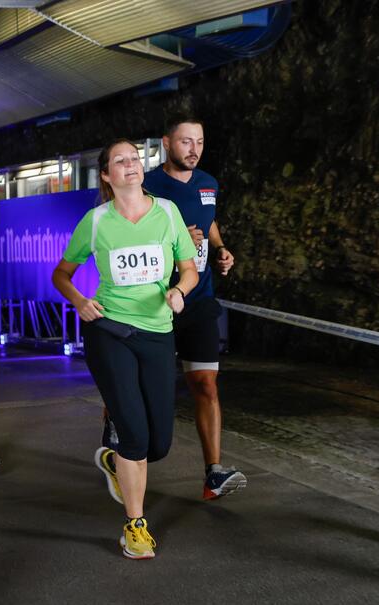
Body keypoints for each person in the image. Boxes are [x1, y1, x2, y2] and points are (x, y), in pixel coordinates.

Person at [52, 138, 198, 559]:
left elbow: (187, 269)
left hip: (157, 332)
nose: (131, 165)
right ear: (106, 175)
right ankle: (135, 526)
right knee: (134, 434)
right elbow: (62, 274)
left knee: (159, 445)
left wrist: (180, 291)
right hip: (109, 331)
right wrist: (79, 301)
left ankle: (116, 462)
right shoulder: (96, 222)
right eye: (121, 161)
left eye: (135, 159)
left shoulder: (168, 213)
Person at [139, 114, 247, 500]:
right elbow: (132, 230)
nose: (194, 150)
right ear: (167, 143)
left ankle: (213, 473)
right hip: (154, 303)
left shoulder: (208, 183)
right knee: (142, 387)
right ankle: (115, 440)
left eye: (199, 142)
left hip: (199, 299)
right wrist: (175, 238)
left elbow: (210, 221)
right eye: (186, 142)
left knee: (206, 386)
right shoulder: (148, 183)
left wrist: (219, 249)